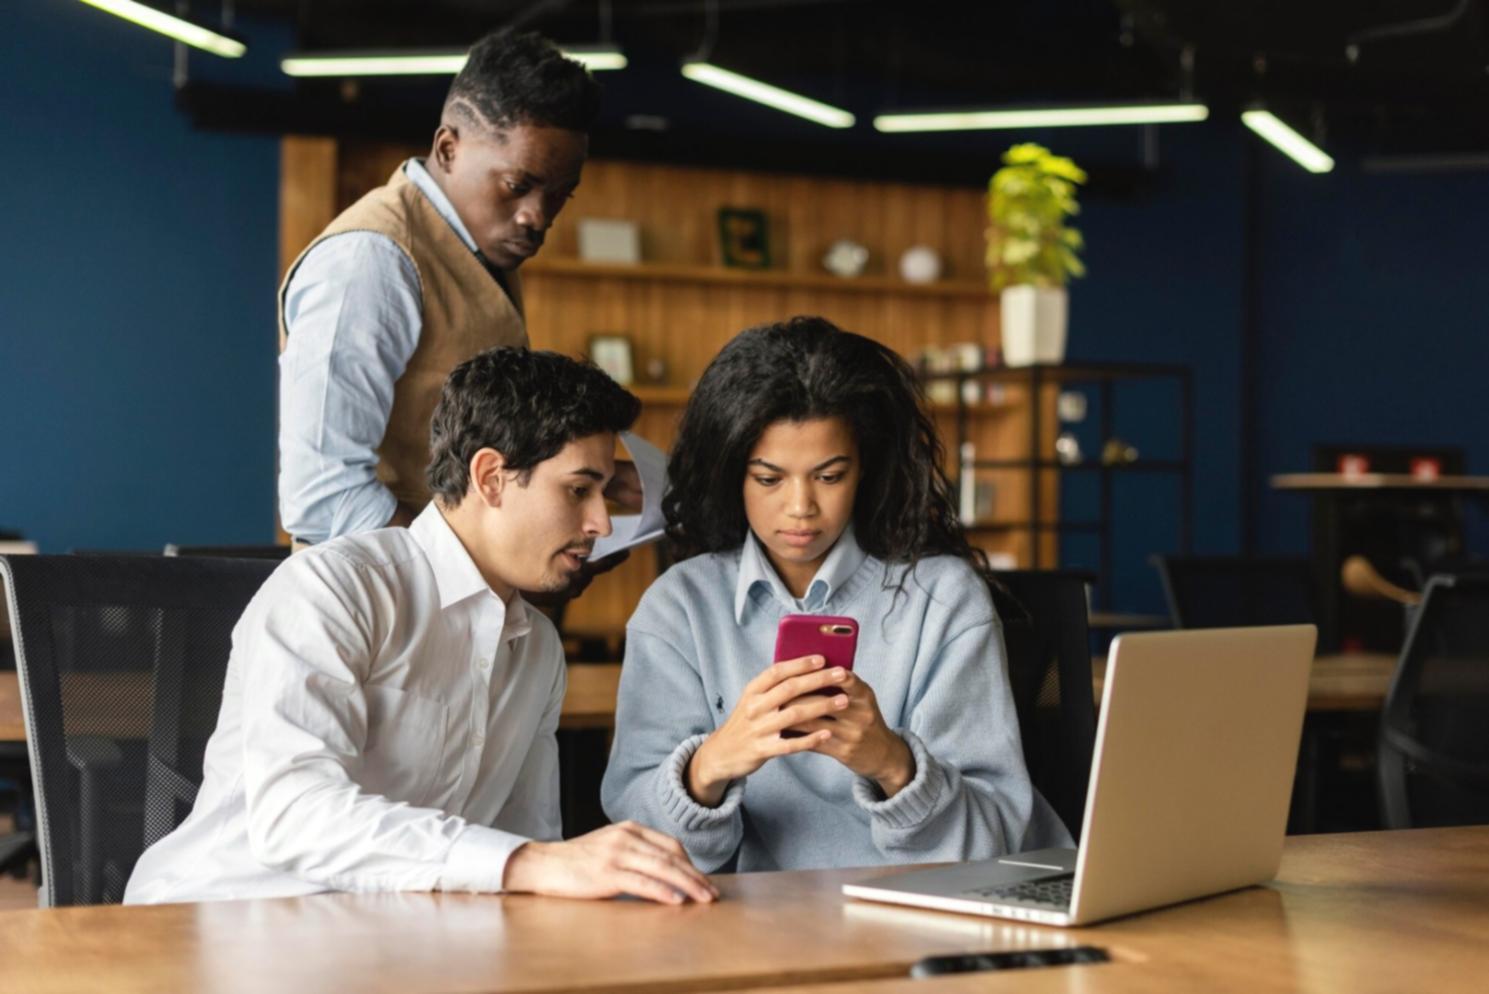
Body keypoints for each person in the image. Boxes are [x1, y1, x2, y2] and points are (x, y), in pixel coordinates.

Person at [127, 348, 716, 906]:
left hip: (393, 942)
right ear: (490, 478)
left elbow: (525, 839)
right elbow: (292, 815)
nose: (600, 525)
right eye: (579, 490)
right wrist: (532, 865)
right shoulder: (334, 590)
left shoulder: (536, 649)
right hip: (223, 926)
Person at [601, 317, 1071, 872]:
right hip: (755, 927)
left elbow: (990, 843)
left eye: (829, 476)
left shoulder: (942, 599)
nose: (800, 508)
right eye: (769, 478)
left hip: (928, 917)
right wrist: (708, 766)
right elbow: (640, 846)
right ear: (731, 473)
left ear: (865, 472)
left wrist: (894, 764)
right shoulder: (678, 606)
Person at [278, 30, 607, 546]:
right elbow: (324, 494)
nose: (537, 216)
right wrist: (459, 576)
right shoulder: (370, 261)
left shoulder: (483, 247)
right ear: (448, 147)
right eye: (517, 186)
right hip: (374, 609)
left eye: (559, 195)